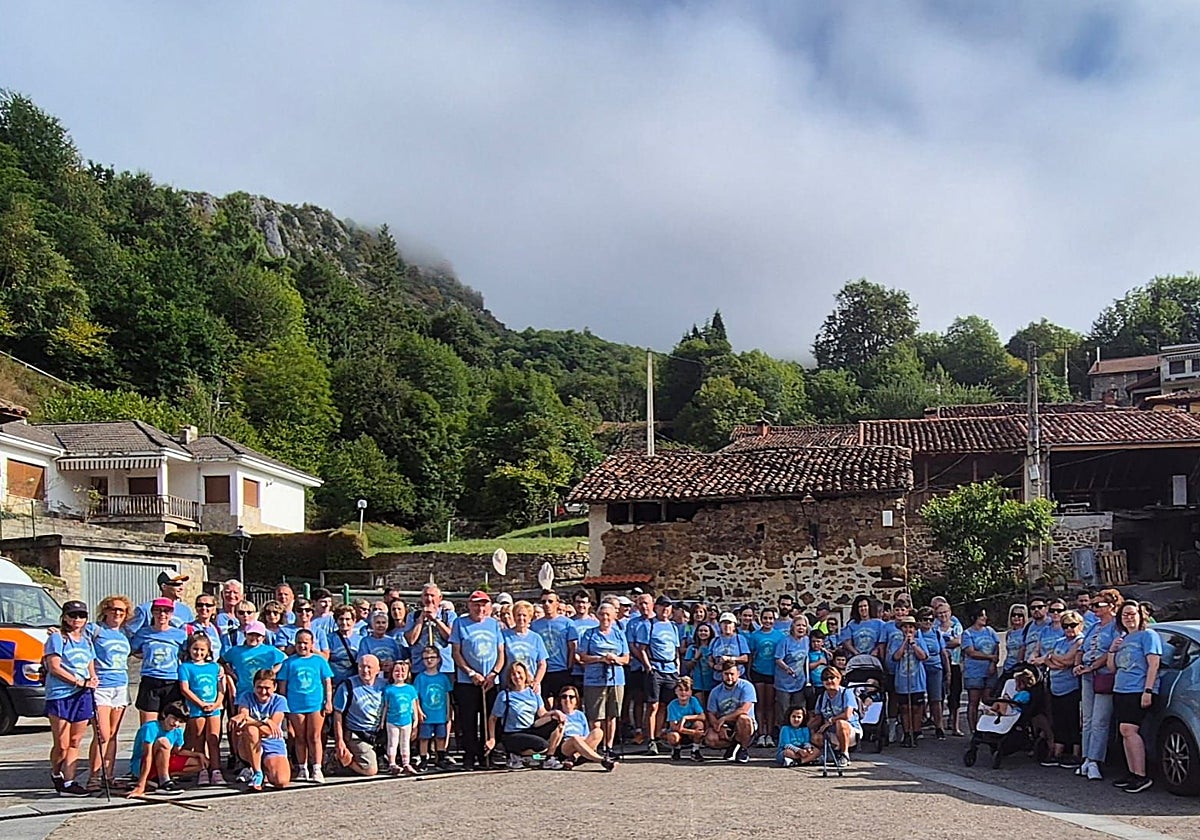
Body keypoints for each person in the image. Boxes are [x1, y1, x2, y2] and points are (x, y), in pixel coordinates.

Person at [44, 600, 97, 796]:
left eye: (81, 615)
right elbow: (54, 666)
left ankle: (69, 782)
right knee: (62, 743)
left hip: (82, 696)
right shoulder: (58, 638)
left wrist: (92, 679)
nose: (77, 619)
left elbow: (90, 664)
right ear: (65, 617)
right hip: (60, 695)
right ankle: (56, 773)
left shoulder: (86, 641)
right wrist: (78, 682)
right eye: (73, 615)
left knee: (75, 740)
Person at [449, 590, 506, 772]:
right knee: (468, 721)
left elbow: (501, 652)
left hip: (490, 680)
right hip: (468, 681)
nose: (479, 608)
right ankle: (469, 755)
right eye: (476, 604)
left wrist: (494, 673)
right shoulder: (460, 623)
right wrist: (471, 673)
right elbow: (456, 652)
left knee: (490, 718)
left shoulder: (494, 624)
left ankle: (487, 754)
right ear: (469, 605)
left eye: (483, 605)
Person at [1108, 601, 1162, 793]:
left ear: (1141, 615)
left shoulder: (1148, 635)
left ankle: (1141, 775)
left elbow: (1153, 664)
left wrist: (1148, 691)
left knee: (1130, 729)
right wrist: (1112, 650)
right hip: (1121, 688)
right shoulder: (1123, 639)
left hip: (1137, 689)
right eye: (1125, 615)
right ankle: (1132, 771)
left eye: (1132, 614)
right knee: (1124, 731)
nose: (1129, 618)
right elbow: (1112, 668)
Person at [86, 595, 132, 791]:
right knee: (102, 734)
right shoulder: (95, 630)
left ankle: (109, 774)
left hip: (120, 685)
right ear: (105, 610)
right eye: (113, 609)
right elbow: (76, 640)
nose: (117, 613)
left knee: (113, 734)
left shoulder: (123, 634)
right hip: (101, 687)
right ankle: (94, 777)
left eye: (121, 611)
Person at [1075, 589, 1121, 781]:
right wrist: (1078, 664)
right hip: (1087, 675)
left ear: (1110, 606)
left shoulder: (1115, 628)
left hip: (1103, 676)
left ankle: (1095, 760)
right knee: (1087, 719)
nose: (1093, 608)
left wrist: (1093, 666)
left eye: (1097, 605)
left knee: (1100, 720)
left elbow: (1111, 652)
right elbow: (1082, 647)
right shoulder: (1094, 627)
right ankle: (1086, 758)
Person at [277, 628, 334, 783]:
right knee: (299, 737)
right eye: (299, 643)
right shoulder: (289, 663)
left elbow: (327, 681)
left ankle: (317, 767)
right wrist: (283, 705)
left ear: (311, 644)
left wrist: (328, 701)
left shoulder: (319, 660)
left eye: (305, 643)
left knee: (314, 736)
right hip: (295, 705)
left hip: (315, 703)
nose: (302, 646)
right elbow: (283, 685)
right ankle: (302, 767)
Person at [485, 661, 565, 769]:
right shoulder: (505, 695)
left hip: (530, 728)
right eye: (513, 674)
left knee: (559, 721)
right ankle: (516, 755)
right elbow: (493, 718)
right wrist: (492, 739)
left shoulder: (533, 693)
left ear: (525, 674)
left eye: (519, 673)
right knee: (542, 745)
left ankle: (548, 758)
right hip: (512, 733)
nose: (517, 676)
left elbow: (543, 714)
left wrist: (556, 712)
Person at [577, 602, 630, 758]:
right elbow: (582, 656)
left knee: (612, 714)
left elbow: (626, 658)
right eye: (602, 614)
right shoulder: (589, 633)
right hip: (594, 679)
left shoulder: (619, 634)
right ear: (598, 616)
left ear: (614, 616)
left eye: (608, 614)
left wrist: (616, 659)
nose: (605, 617)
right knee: (595, 715)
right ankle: (595, 746)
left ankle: (609, 746)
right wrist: (601, 659)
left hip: (616, 679)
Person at [125, 702, 206, 798]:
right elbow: (147, 756)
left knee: (199, 763)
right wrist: (140, 786)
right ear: (165, 715)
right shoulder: (150, 727)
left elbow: (178, 751)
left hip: (161, 762)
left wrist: (198, 755)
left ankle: (156, 779)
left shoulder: (177, 731)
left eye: (180, 721)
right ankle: (164, 781)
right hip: (142, 763)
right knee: (163, 742)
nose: (176, 724)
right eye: (174, 719)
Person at [635, 595, 681, 755]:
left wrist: (677, 668)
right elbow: (642, 648)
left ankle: (659, 735)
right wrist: (648, 667)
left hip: (670, 670)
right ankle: (650, 740)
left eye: (668, 606)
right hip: (655, 668)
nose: (665, 609)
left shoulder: (673, 627)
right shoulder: (649, 625)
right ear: (656, 607)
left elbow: (676, 650)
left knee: (664, 705)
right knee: (652, 705)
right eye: (662, 606)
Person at [1038, 609, 1084, 769]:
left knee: (1072, 721)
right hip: (1055, 686)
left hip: (1071, 687)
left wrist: (1055, 659)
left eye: (1073, 625)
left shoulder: (1079, 641)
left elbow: (1068, 661)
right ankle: (1057, 752)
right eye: (1066, 626)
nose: (1069, 629)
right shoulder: (1060, 641)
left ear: (1080, 625)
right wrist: (1056, 661)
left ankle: (1076, 754)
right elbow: (1049, 661)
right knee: (1059, 720)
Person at [178, 632, 226, 785]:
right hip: (196, 709)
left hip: (214, 708)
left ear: (208, 651)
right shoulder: (185, 667)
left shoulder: (214, 667)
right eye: (195, 649)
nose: (198, 653)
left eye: (202, 650)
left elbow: (220, 688)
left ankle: (216, 769)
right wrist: (200, 703)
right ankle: (202, 769)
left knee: (213, 739)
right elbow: (185, 689)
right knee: (198, 739)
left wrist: (217, 703)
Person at [231, 669, 291, 791]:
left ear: (274, 687)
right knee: (251, 730)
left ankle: (265, 770)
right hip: (249, 744)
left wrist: (256, 721)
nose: (263, 692)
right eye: (259, 687)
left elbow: (271, 730)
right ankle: (257, 772)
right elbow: (242, 717)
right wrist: (264, 721)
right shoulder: (246, 697)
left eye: (267, 688)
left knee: (281, 781)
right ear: (254, 687)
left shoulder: (280, 700)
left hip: (272, 744)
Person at [130, 598, 188, 724]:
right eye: (158, 611)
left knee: (169, 725)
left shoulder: (180, 635)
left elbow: (186, 655)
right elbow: (133, 650)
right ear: (152, 613)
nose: (162, 614)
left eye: (166, 611)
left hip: (171, 682)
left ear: (171, 614)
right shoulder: (143, 633)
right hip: (150, 681)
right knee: (148, 728)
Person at [333, 654, 386, 776]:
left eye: (369, 667)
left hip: (380, 733)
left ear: (378, 669)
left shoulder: (385, 685)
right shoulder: (347, 686)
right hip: (357, 733)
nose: (365, 671)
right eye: (362, 667)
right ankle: (343, 760)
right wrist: (339, 741)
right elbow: (338, 715)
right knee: (370, 770)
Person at [704, 659, 756, 763]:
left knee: (743, 719)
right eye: (726, 674)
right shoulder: (715, 691)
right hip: (726, 725)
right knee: (710, 738)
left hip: (743, 723)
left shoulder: (747, 687)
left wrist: (724, 718)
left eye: (732, 674)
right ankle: (733, 745)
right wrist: (718, 726)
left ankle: (743, 750)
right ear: (722, 674)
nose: (729, 677)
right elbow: (711, 713)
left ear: (738, 674)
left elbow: (744, 709)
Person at [532, 591, 578, 707]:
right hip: (543, 671)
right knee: (544, 704)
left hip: (561, 670)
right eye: (544, 602)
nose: (547, 604)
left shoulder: (568, 623)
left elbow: (572, 647)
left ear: (557, 604)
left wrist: (569, 667)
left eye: (550, 601)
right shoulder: (535, 625)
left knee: (564, 704)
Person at [889, 615, 929, 747]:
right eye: (905, 627)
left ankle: (916, 732)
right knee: (905, 708)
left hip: (917, 680)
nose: (908, 630)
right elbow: (895, 657)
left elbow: (923, 656)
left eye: (910, 627)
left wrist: (913, 645)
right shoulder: (897, 641)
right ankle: (906, 733)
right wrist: (904, 643)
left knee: (916, 708)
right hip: (902, 680)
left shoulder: (919, 640)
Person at [221, 620, 285, 702]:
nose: (254, 638)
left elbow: (284, 661)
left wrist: (272, 672)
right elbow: (222, 661)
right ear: (245, 634)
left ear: (263, 637)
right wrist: (232, 673)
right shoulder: (236, 651)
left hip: (265, 692)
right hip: (243, 691)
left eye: (258, 635)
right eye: (251, 634)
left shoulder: (270, 650)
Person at [413, 646, 454, 771]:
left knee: (440, 737)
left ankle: (440, 758)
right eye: (426, 658)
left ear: (438, 659)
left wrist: (449, 712)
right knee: (424, 738)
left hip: (440, 713)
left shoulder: (443, 678)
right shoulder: (420, 678)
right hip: (426, 714)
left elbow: (447, 695)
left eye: (432, 658)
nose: (429, 661)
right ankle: (424, 759)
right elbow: (416, 697)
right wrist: (418, 711)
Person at [747, 606, 783, 747]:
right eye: (765, 618)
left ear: (774, 620)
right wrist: (749, 672)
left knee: (770, 705)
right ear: (761, 620)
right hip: (758, 672)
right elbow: (751, 655)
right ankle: (761, 733)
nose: (768, 621)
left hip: (773, 673)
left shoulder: (780, 636)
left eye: (770, 618)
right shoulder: (755, 636)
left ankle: (769, 734)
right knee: (760, 704)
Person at [404, 583, 456, 679]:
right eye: (426, 595)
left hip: (444, 668)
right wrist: (420, 619)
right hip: (420, 667)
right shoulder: (412, 616)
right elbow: (411, 640)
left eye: (432, 595)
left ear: (440, 598)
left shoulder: (449, 615)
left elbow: (450, 637)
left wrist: (436, 620)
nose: (429, 599)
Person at [961, 605, 1000, 734]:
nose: (985, 617)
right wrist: (990, 657)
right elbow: (971, 652)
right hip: (974, 671)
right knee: (974, 701)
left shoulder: (990, 631)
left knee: (989, 699)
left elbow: (996, 646)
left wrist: (993, 663)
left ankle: (988, 727)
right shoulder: (967, 634)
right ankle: (973, 729)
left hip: (989, 671)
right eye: (982, 615)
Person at [556, 685, 614, 770]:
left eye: (571, 697)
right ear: (560, 700)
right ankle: (601, 760)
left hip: (581, 740)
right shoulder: (558, 714)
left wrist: (581, 739)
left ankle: (574, 757)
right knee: (575, 738)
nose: (567, 700)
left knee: (598, 732)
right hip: (565, 743)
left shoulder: (580, 715)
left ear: (576, 700)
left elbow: (586, 734)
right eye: (564, 697)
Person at [813, 666, 861, 768]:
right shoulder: (821, 697)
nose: (829, 681)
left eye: (832, 677)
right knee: (815, 737)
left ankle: (845, 755)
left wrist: (830, 721)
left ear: (839, 678)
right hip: (831, 732)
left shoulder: (846, 693)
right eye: (825, 679)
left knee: (841, 723)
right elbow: (817, 717)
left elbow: (847, 715)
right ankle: (830, 754)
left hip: (850, 731)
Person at [382, 659, 421, 775]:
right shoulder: (389, 689)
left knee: (405, 743)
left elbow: (414, 704)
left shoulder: (410, 689)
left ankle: (406, 763)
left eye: (403, 671)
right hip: (392, 720)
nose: (399, 674)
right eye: (397, 671)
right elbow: (385, 706)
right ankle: (392, 763)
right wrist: (382, 721)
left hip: (406, 720)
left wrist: (416, 719)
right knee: (392, 742)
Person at [932, 598, 964, 735]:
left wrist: (942, 645)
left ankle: (955, 726)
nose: (943, 615)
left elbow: (959, 641)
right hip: (939, 664)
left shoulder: (956, 625)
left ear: (950, 612)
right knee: (939, 695)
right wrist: (947, 643)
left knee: (955, 694)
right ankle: (940, 726)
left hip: (954, 663)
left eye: (945, 612)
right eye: (939, 613)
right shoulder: (934, 627)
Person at [126, 572, 194, 635]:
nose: (181, 588)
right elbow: (130, 633)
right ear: (164, 586)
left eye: (182, 584)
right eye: (176, 585)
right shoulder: (144, 609)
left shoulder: (186, 610)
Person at [504, 600, 549, 693]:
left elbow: (542, 664)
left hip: (530, 685)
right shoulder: (504, 635)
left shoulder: (536, 638)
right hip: (510, 684)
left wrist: (536, 682)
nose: (521, 618)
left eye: (524, 615)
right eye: (518, 615)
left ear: (530, 618)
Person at [773, 614, 810, 726]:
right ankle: (784, 733)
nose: (801, 628)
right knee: (785, 710)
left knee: (800, 710)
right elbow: (778, 659)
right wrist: (787, 668)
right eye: (798, 625)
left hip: (800, 681)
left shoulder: (806, 640)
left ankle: (799, 735)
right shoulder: (785, 641)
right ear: (793, 627)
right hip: (784, 682)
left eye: (803, 626)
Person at [917, 607, 947, 740]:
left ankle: (939, 726)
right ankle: (919, 724)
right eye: (925, 619)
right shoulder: (917, 633)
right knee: (919, 699)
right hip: (920, 668)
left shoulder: (936, 633)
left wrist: (948, 671)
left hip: (935, 668)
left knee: (936, 699)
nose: (928, 622)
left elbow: (943, 652)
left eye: (931, 619)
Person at [662, 676, 705, 761]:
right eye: (680, 690)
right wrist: (692, 732)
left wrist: (685, 718)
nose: (683, 693)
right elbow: (673, 726)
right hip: (679, 731)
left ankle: (695, 750)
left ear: (691, 692)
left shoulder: (693, 701)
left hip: (689, 728)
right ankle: (676, 749)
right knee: (673, 736)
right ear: (676, 691)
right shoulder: (672, 705)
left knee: (699, 724)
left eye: (686, 690)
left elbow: (702, 716)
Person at [359, 609, 404, 676]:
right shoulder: (365, 642)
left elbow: (399, 661)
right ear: (372, 624)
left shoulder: (393, 641)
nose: (381, 625)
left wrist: (392, 664)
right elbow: (362, 662)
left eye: (383, 622)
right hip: (373, 677)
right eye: (378, 622)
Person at [327, 604, 363, 686]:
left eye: (347, 619)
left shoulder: (361, 640)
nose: (344, 622)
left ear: (354, 621)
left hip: (355, 684)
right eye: (341, 619)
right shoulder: (329, 639)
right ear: (336, 621)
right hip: (335, 683)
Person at [709, 612, 750, 678]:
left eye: (729, 623)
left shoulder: (740, 639)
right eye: (724, 623)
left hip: (737, 676)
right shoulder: (715, 640)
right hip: (719, 677)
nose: (727, 625)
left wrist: (730, 658)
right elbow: (710, 659)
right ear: (720, 625)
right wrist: (715, 666)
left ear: (734, 626)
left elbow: (745, 658)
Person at [685, 622, 717, 702]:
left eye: (705, 631)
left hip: (713, 683)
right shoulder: (692, 648)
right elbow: (687, 667)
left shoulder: (714, 647)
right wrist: (695, 658)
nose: (703, 633)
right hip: (698, 685)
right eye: (700, 631)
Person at [187, 593, 224, 662]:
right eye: (200, 605)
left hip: (213, 669)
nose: (204, 608)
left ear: (214, 608)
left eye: (208, 605)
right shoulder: (187, 628)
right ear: (196, 608)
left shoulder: (216, 629)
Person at [1001, 604, 1029, 675]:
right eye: (1014, 615)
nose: (1016, 617)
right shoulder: (1009, 633)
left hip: (1019, 668)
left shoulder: (1027, 631)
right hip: (1007, 667)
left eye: (1020, 615)